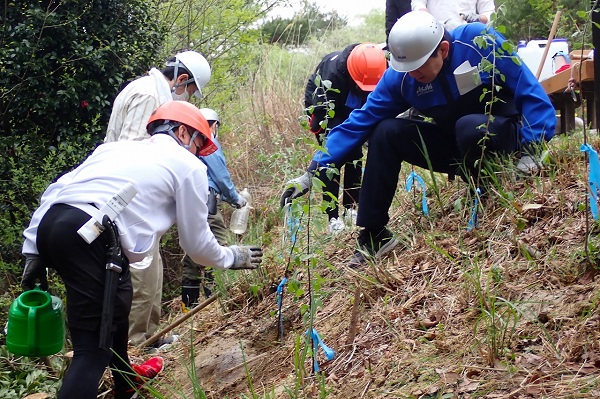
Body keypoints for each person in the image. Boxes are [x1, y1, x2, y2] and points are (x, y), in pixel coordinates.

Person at [20, 101, 263, 399]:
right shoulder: (189, 166)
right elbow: (196, 246)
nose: (199, 153)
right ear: (183, 132)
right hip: (94, 235)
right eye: (199, 143)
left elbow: (56, 190)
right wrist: (231, 257)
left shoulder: (114, 149)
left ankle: (125, 382)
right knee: (91, 352)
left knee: (117, 305)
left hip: (53, 226)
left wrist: (32, 248)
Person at [280, 11, 555, 267]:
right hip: (454, 147)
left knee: (469, 127)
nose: (413, 75)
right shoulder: (401, 78)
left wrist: (533, 145)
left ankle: (488, 191)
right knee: (386, 130)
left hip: (499, 135)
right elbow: (359, 121)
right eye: (407, 69)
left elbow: (525, 85)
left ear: (443, 51)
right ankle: (375, 236)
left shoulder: (477, 41)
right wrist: (313, 171)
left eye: (419, 68)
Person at [104, 50, 211, 346]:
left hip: (136, 198)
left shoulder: (150, 91)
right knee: (141, 271)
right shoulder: (149, 94)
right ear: (182, 79)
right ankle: (136, 341)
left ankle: (149, 333)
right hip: (129, 200)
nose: (187, 98)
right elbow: (132, 150)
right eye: (190, 91)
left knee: (153, 269)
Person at [302, 42, 388, 234]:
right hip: (328, 111)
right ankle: (333, 218)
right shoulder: (331, 78)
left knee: (355, 156)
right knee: (331, 161)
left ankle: (351, 208)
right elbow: (323, 120)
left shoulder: (375, 65)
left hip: (352, 105)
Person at [181, 107, 247, 310]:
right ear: (214, 124)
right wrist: (236, 199)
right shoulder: (208, 141)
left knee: (192, 249)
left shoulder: (186, 145)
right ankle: (215, 296)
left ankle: (189, 304)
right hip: (208, 201)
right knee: (218, 243)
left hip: (192, 200)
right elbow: (220, 176)